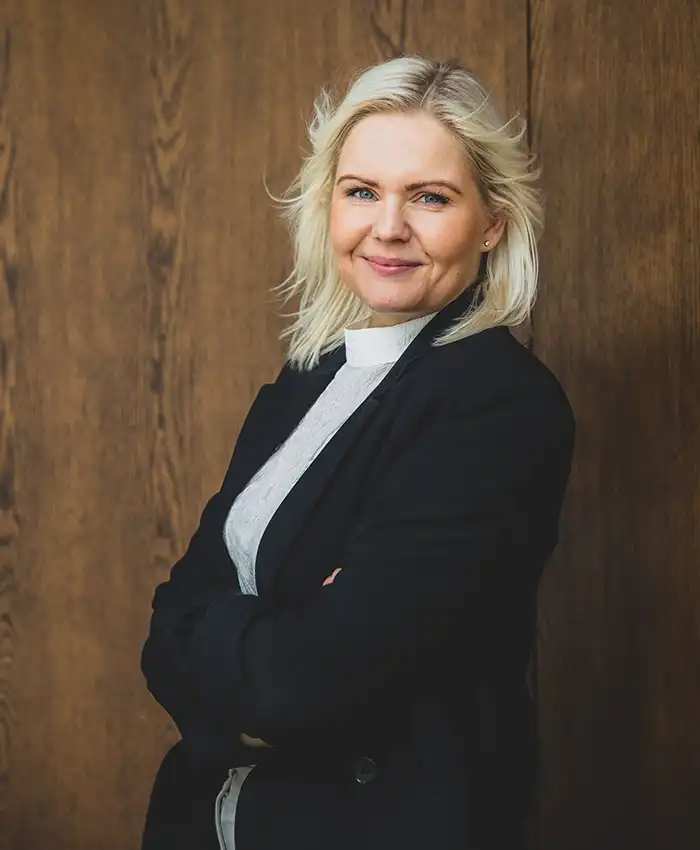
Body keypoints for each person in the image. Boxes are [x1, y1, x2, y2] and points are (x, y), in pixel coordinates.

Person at [140, 55, 575, 850]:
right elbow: (169, 623)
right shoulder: (310, 377)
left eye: (430, 197)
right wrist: (268, 632)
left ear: (492, 221)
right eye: (362, 191)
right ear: (328, 204)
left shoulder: (499, 405)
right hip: (213, 822)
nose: (388, 227)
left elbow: (304, 680)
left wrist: (227, 639)